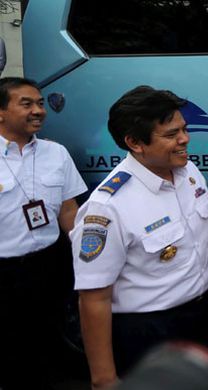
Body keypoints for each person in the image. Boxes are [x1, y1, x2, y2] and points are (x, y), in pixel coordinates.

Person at [70, 86, 208, 389]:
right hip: (150, 333)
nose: (184, 139)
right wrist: (104, 379)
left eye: (184, 129)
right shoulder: (108, 207)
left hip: (200, 317)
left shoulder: (189, 173)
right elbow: (94, 298)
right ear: (135, 143)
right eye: (171, 134)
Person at [0, 77, 87, 390]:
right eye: (27, 104)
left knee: (52, 346)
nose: (39, 110)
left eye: (40, 103)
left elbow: (68, 210)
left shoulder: (56, 153)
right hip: (5, 272)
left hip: (51, 264)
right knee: (11, 354)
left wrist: (87, 256)